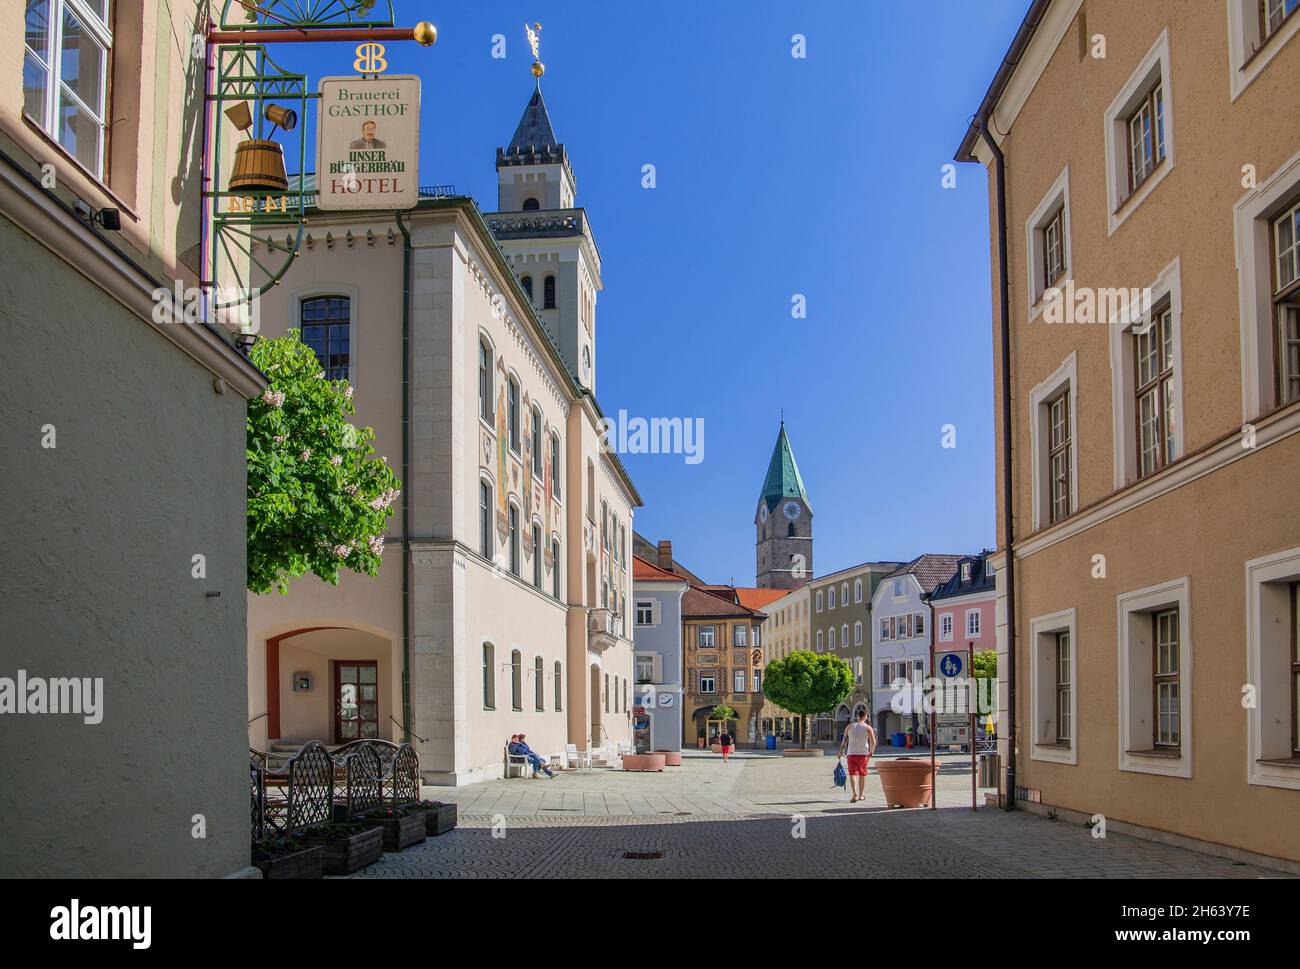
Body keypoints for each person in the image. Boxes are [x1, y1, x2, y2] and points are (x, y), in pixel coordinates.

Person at [838, 707, 877, 803]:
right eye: (867, 716)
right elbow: (873, 742)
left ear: (858, 716)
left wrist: (841, 751)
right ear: (865, 716)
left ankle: (854, 793)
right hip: (863, 754)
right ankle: (860, 795)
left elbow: (845, 740)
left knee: (852, 774)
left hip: (851, 754)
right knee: (862, 775)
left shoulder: (850, 726)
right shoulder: (867, 728)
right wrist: (872, 751)